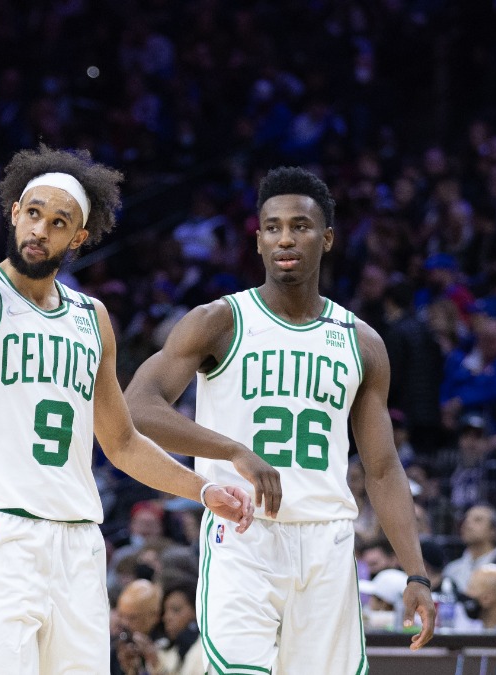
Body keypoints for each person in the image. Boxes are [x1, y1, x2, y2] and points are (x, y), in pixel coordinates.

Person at [0, 109, 253, 673]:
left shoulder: (93, 318)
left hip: (78, 545)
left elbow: (121, 442)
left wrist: (202, 488)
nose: (40, 230)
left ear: (78, 238)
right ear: (14, 213)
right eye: (33, 214)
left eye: (59, 222)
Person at [125, 166, 435, 673]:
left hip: (327, 541)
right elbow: (138, 405)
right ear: (259, 241)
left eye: (300, 226)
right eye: (272, 227)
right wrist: (233, 451)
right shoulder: (220, 320)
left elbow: (382, 469)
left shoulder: (361, 342)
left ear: (327, 238)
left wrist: (416, 573)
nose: (285, 238)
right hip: (244, 532)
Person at [443, 505, 496, 590]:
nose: (467, 524)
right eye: (465, 519)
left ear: (493, 531)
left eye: (477, 520)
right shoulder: (452, 569)